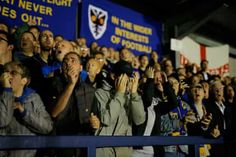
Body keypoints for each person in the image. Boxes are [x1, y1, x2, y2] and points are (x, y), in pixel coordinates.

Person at [48, 52, 99, 157]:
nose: (68, 63)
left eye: (73, 60)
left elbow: (95, 116)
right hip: (60, 145)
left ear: (80, 68)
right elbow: (54, 113)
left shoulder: (90, 90)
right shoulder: (52, 84)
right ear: (62, 68)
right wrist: (71, 84)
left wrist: (95, 124)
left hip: (83, 147)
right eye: (65, 61)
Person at [0, 61, 53, 157]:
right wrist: (7, 91)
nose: (8, 76)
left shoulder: (33, 98)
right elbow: (3, 121)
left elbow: (47, 127)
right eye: (6, 72)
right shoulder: (1, 97)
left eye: (13, 73)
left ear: (24, 80)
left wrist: (24, 113)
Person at [94, 60, 146, 157]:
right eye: (123, 76)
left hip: (124, 150)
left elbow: (139, 120)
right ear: (113, 76)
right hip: (104, 150)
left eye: (129, 77)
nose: (127, 81)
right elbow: (107, 119)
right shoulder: (100, 93)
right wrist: (119, 93)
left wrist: (134, 94)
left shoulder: (131, 96)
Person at [132, 68, 178, 157]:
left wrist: (166, 84)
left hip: (154, 149)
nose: (157, 79)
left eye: (159, 77)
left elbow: (174, 103)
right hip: (137, 148)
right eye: (154, 76)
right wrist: (150, 79)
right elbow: (147, 100)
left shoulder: (158, 101)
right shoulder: (137, 96)